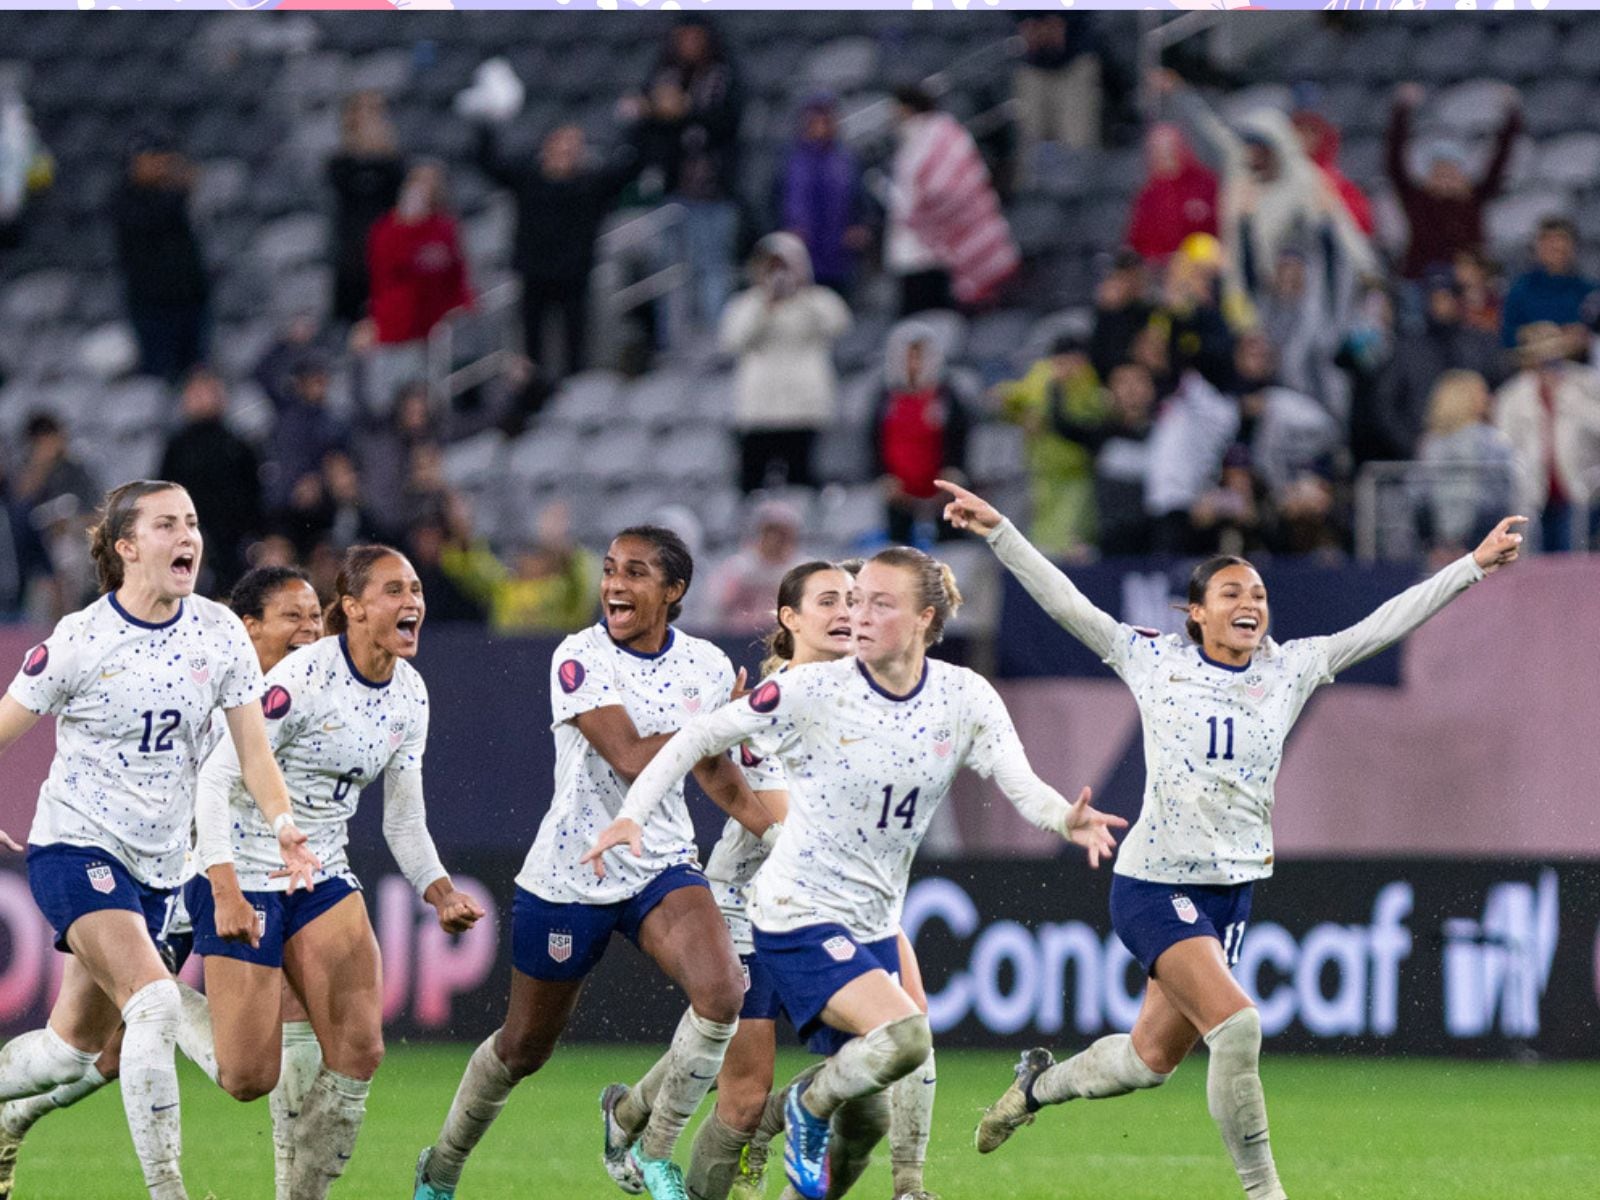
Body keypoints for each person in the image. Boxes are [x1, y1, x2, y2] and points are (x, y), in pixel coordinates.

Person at [937, 479, 1526, 1200]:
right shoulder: (1155, 659)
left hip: (1231, 891)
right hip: (1154, 881)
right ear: (1195, 614)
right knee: (1239, 1025)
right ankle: (1265, 1194)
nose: (1251, 604)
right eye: (1231, 594)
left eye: (1258, 595)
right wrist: (1001, 531)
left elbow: (1384, 623)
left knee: (1149, 1061)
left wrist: (1471, 565)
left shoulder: (1290, 668)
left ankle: (1035, 1087)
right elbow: (1066, 603)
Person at [585, 546, 1122, 1200]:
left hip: (865, 916)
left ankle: (848, 1150)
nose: (855, 615)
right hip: (779, 908)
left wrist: (1066, 818)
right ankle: (807, 1125)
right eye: (843, 601)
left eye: (873, 602)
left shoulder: (962, 697)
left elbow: (1021, 782)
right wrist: (633, 815)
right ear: (792, 619)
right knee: (763, 1091)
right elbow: (703, 745)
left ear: (926, 618)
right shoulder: (800, 695)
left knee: (869, 1110)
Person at [413, 526, 773, 1200]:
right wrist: (720, 722)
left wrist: (782, 839)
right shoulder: (579, 655)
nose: (614, 584)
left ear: (673, 591)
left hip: (660, 862)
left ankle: (653, 1145)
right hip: (574, 872)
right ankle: (443, 1167)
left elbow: (719, 778)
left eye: (635, 572)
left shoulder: (707, 666)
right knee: (524, 1048)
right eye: (610, 570)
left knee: (724, 993)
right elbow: (632, 755)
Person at [0, 480, 318, 1200]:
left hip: (159, 871)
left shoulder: (218, 631)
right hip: (76, 848)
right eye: (168, 524)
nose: (189, 536)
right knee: (155, 1002)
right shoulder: (82, 639)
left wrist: (283, 823)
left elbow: (255, 753)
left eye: (194, 523)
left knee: (69, 1056)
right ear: (127, 546)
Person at [600, 560, 943, 1200]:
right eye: (830, 601)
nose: (848, 614)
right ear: (789, 619)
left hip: (847, 902)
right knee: (744, 1100)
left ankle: (908, 1185)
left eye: (856, 601)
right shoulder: (769, 704)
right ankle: (644, 1118)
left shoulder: (873, 695)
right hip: (753, 906)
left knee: (906, 1033)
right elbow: (786, 818)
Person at [190, 545, 483, 1200]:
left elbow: (403, 822)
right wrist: (223, 883)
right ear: (351, 608)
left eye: (415, 589)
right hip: (245, 864)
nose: (413, 602)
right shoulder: (299, 680)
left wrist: (439, 893)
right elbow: (216, 779)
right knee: (246, 1077)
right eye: (392, 591)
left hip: (321, 872)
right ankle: (160, 1009)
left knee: (358, 1052)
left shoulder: (411, 694)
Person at [475, 119, 642, 379]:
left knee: (575, 342)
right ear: (548, 146)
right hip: (534, 273)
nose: (568, 150)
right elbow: (488, 163)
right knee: (532, 345)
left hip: (574, 275)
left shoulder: (591, 183)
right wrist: (486, 121)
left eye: (574, 145)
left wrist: (635, 123)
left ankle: (573, 392)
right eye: (562, 143)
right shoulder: (528, 177)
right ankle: (534, 393)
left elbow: (631, 169)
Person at [719, 232, 852, 494]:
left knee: (801, 483)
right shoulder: (746, 304)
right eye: (771, 267)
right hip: (759, 412)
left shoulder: (816, 300)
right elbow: (734, 340)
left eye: (784, 266)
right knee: (753, 485)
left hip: (803, 410)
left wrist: (801, 291)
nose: (778, 274)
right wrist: (767, 305)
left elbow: (838, 325)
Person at [887, 86, 1019, 314]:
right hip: (916, 250)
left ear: (907, 107)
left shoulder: (942, 135)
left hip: (937, 251)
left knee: (938, 318)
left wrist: (925, 220)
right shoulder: (912, 138)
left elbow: (950, 188)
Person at [1386, 82, 1521, 281]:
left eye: (1452, 172)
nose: (1446, 179)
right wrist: (1401, 111)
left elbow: (1500, 161)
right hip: (1422, 282)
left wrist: (1511, 115)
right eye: (1439, 172)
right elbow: (1394, 161)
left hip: (1468, 285)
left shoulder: (1475, 197)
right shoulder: (1416, 199)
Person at [994, 333, 1106, 557]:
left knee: (1075, 539)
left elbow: (1092, 418)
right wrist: (1023, 416)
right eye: (1061, 361)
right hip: (1043, 474)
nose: (1066, 368)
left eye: (1073, 361)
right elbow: (1005, 399)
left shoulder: (1089, 384)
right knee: (1043, 541)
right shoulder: (1040, 377)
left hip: (1078, 475)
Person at [111, 132, 210, 382]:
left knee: (196, 370)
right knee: (158, 374)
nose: (159, 166)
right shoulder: (125, 198)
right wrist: (179, 190)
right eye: (151, 159)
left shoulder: (172, 196)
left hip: (189, 296)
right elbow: (151, 222)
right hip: (152, 302)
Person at [1493, 322, 1600, 553]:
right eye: (1542, 361)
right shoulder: (1512, 396)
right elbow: (1504, 444)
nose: (1550, 367)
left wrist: (1572, 403)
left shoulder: (1585, 384)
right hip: (1532, 493)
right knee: (1537, 565)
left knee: (1574, 563)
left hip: (1580, 489)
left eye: (1554, 359)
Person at [158, 369, 264, 595]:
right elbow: (163, 496)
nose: (202, 398)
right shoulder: (176, 448)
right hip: (186, 535)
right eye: (196, 392)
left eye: (208, 390)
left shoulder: (237, 447)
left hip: (232, 542)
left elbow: (254, 499)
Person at [873, 320, 972, 547]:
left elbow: (959, 435)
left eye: (919, 357)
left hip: (941, 488)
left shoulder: (946, 396)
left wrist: (953, 472)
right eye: (908, 357)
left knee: (950, 545)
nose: (913, 364)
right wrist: (883, 476)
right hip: (899, 488)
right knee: (898, 550)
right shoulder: (886, 398)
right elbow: (875, 440)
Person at [366, 162, 474, 347]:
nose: (424, 190)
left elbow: (457, 272)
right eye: (419, 183)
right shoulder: (388, 228)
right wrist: (409, 226)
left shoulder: (445, 227)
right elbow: (384, 271)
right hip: (401, 318)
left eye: (430, 184)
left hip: (439, 317)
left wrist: (465, 303)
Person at [1415, 371, 1517, 564]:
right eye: (1483, 393)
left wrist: (1435, 543)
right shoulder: (1493, 441)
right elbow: (1505, 496)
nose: (1489, 399)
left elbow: (1418, 496)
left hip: (1440, 547)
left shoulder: (1429, 443)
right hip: (1480, 543)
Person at [327, 91, 406, 326]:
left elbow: (395, 192)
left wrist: (378, 144)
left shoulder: (393, 164)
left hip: (385, 252)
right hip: (352, 256)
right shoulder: (340, 165)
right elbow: (343, 182)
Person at [778, 94, 868, 297]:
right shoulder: (790, 160)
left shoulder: (846, 159)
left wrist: (859, 226)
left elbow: (860, 198)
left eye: (825, 119)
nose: (820, 126)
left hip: (839, 252)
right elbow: (772, 199)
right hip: (800, 252)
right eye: (814, 120)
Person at [1500, 217, 1600, 351]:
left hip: (1583, 365)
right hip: (1533, 365)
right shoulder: (1520, 289)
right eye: (1547, 240)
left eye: (1562, 239)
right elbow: (1506, 337)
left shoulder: (1591, 291)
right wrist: (1526, 333)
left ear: (1574, 247)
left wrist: (1586, 334)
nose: (1555, 245)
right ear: (1536, 248)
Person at [1125, 123, 1218, 264]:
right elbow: (1137, 240)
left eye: (1169, 148)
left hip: (1197, 266)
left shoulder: (1205, 184)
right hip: (1157, 270)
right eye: (1158, 150)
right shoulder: (1149, 194)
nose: (1164, 155)